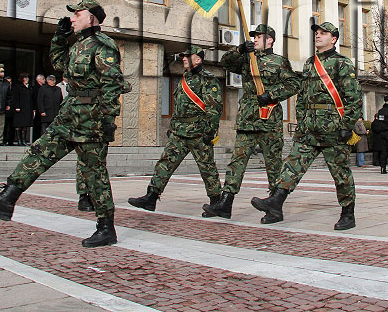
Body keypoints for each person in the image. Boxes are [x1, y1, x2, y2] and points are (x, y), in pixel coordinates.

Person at [0, 0, 128, 248]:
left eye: (77, 14)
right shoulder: (79, 44)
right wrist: (58, 38)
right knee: (39, 152)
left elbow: (112, 83)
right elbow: (59, 64)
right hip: (70, 113)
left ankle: (106, 227)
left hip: (91, 118)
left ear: (92, 17)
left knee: (93, 173)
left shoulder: (103, 45)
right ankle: (6, 199)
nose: (73, 18)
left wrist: (109, 117)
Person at [251, 22, 362, 231]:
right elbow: (303, 95)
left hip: (333, 127)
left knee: (340, 172)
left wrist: (347, 125)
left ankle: (348, 213)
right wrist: (301, 120)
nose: (318, 36)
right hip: (309, 127)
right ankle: (275, 204)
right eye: (317, 33)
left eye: (323, 33)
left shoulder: (342, 64)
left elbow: (354, 97)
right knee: (292, 165)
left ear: (334, 39)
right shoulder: (310, 63)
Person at [203, 24, 300, 220]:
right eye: (254, 37)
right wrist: (239, 49)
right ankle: (226, 203)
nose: (255, 39)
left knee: (273, 165)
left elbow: (294, 84)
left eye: (259, 37)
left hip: (269, 119)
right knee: (236, 162)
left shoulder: (279, 62)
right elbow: (226, 63)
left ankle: (274, 207)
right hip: (247, 119)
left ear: (270, 40)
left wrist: (271, 95)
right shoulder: (247, 59)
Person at [129, 45, 222, 215]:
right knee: (165, 163)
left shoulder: (208, 80)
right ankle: (151, 197)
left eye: (188, 56)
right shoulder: (185, 78)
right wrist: (172, 127)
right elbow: (179, 107)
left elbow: (214, 108)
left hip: (199, 133)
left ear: (198, 59)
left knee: (207, 168)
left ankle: (217, 203)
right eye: (183, 56)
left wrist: (210, 132)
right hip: (179, 132)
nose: (184, 59)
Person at [10, 73, 34, 146]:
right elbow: (15, 97)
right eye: (25, 78)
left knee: (25, 125)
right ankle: (19, 140)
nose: (27, 79)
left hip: (27, 108)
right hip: (20, 108)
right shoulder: (17, 87)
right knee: (18, 125)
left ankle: (24, 140)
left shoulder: (29, 87)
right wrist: (17, 106)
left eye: (27, 78)